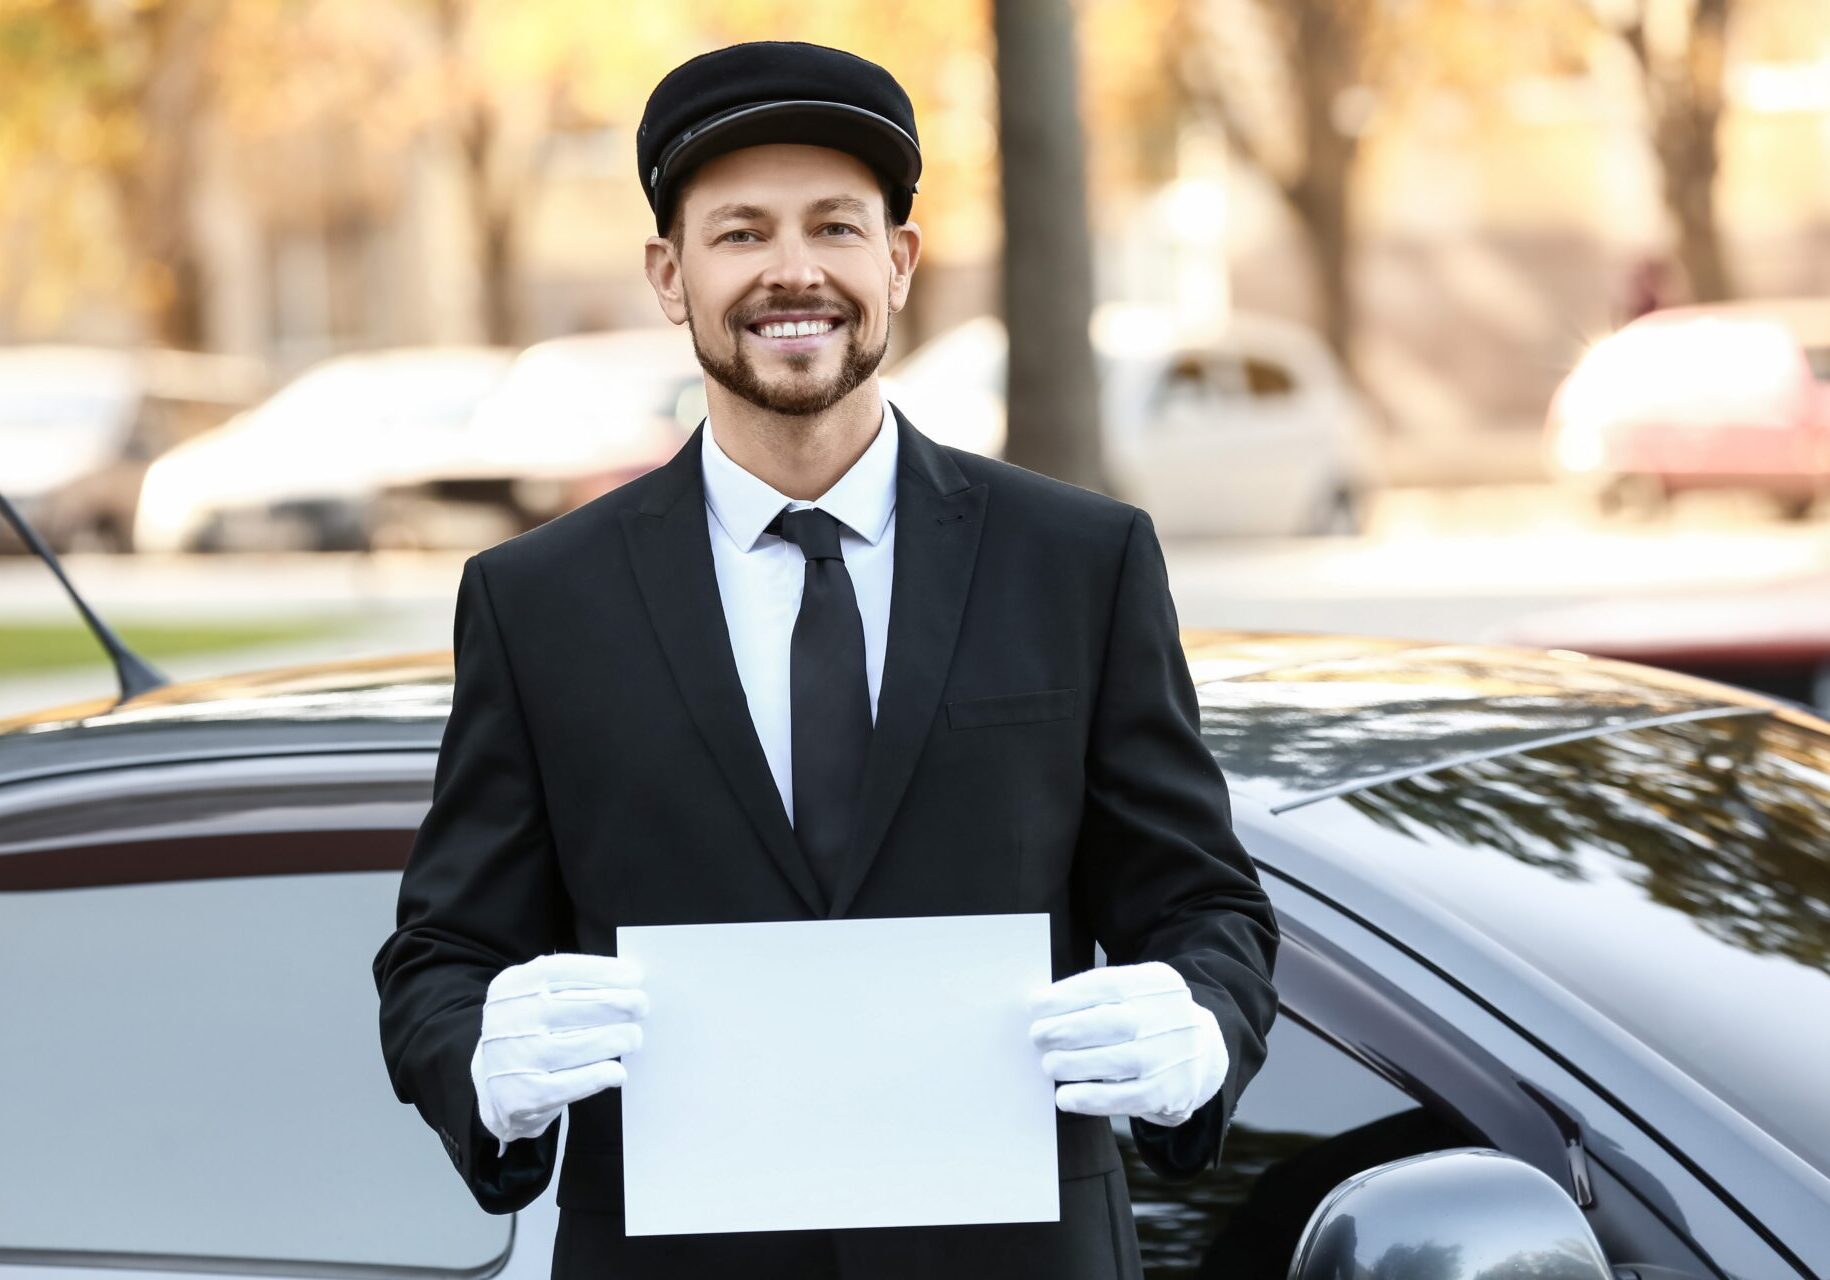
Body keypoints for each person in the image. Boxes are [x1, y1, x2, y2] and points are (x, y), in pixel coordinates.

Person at [372, 39, 1278, 1280]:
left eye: (835, 227)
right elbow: (440, 956)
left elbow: (1203, 904)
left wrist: (1203, 1025)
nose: (793, 272)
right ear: (667, 273)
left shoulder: (1078, 560)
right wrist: (478, 1058)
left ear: (896, 263)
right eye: (740, 233)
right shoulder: (539, 601)